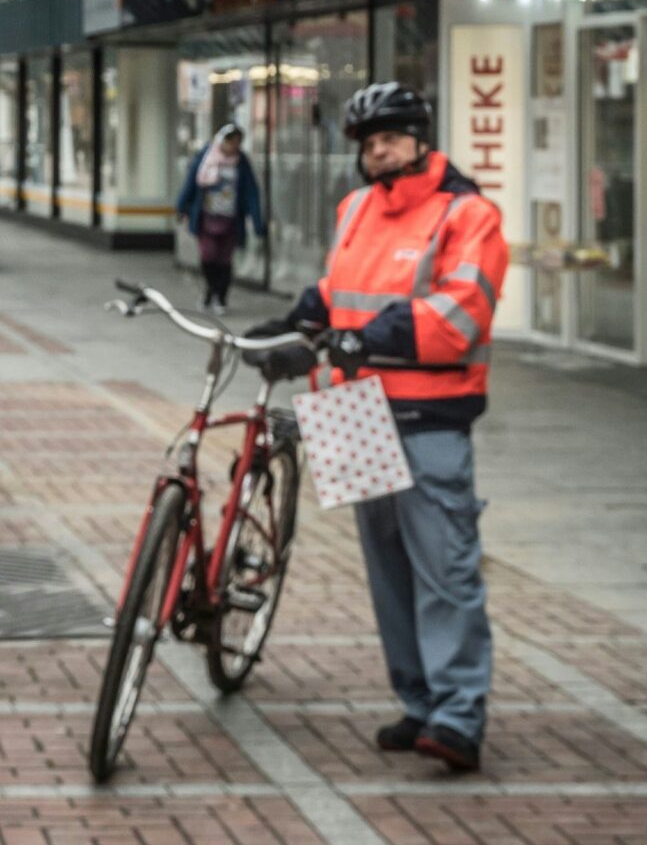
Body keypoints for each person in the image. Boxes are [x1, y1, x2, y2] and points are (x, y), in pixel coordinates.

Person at [250, 82, 505, 774]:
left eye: (390, 138)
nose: (378, 152)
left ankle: (457, 716)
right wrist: (293, 324)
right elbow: (337, 290)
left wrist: (366, 336)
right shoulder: (357, 206)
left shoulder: (468, 214)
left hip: (426, 416)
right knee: (388, 571)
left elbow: (460, 315)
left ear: (421, 139)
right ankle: (419, 702)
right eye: (369, 143)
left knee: (444, 568)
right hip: (351, 410)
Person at [175, 121, 263, 313]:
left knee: (224, 258)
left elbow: (251, 192)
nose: (234, 146)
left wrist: (257, 221)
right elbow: (191, 183)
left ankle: (220, 296)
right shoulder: (205, 157)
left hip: (231, 219)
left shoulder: (241, 162)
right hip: (207, 217)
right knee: (208, 255)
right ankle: (210, 289)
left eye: (238, 143)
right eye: (231, 142)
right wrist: (181, 207)